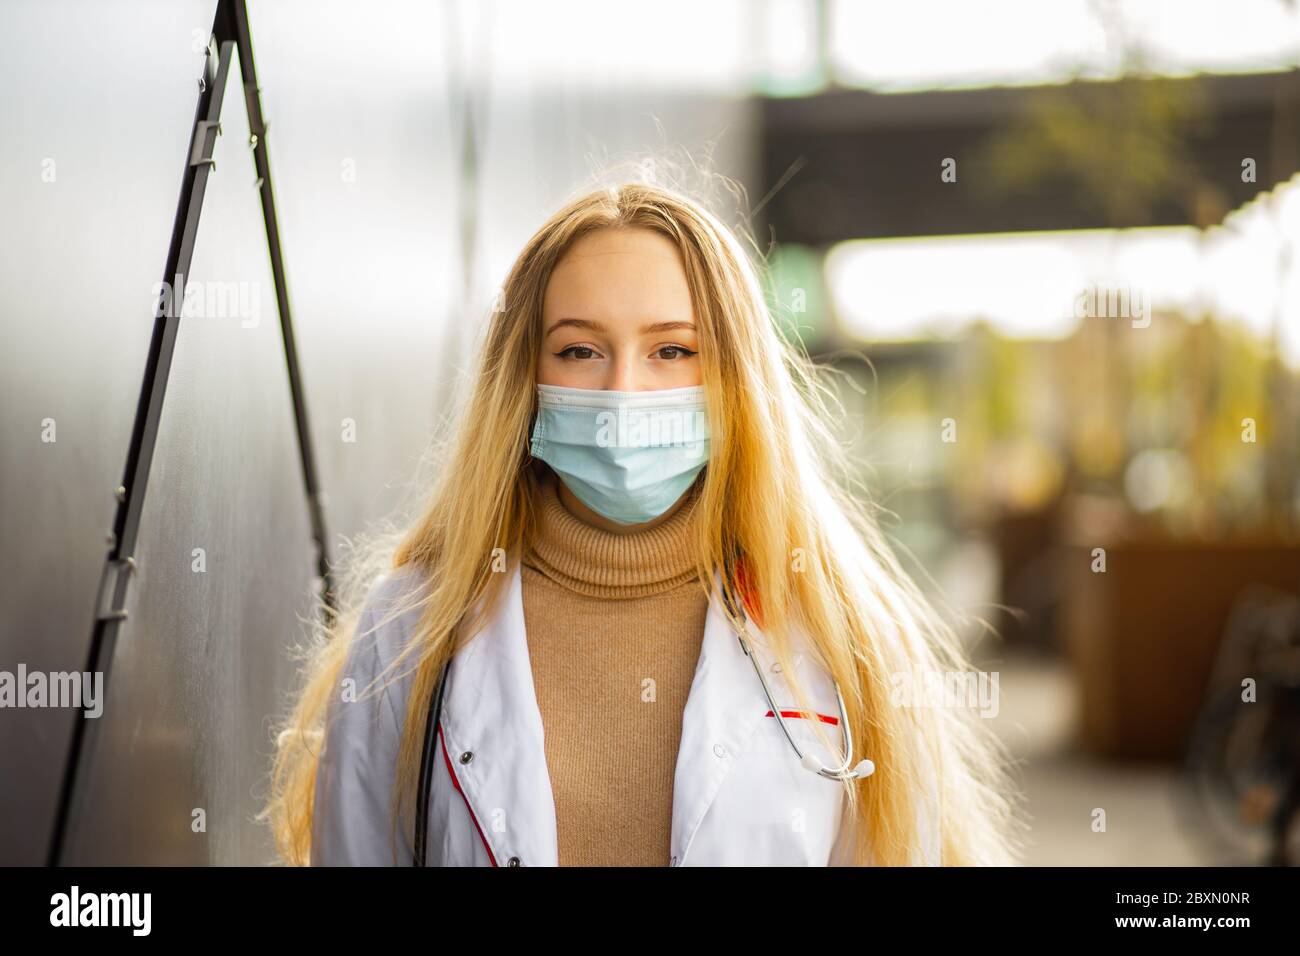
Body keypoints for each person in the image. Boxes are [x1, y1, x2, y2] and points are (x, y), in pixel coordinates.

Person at [262, 180, 1024, 866]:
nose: (624, 391)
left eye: (671, 350)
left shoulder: (840, 632)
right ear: (522, 377)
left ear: (735, 378)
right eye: (580, 349)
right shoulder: (409, 630)